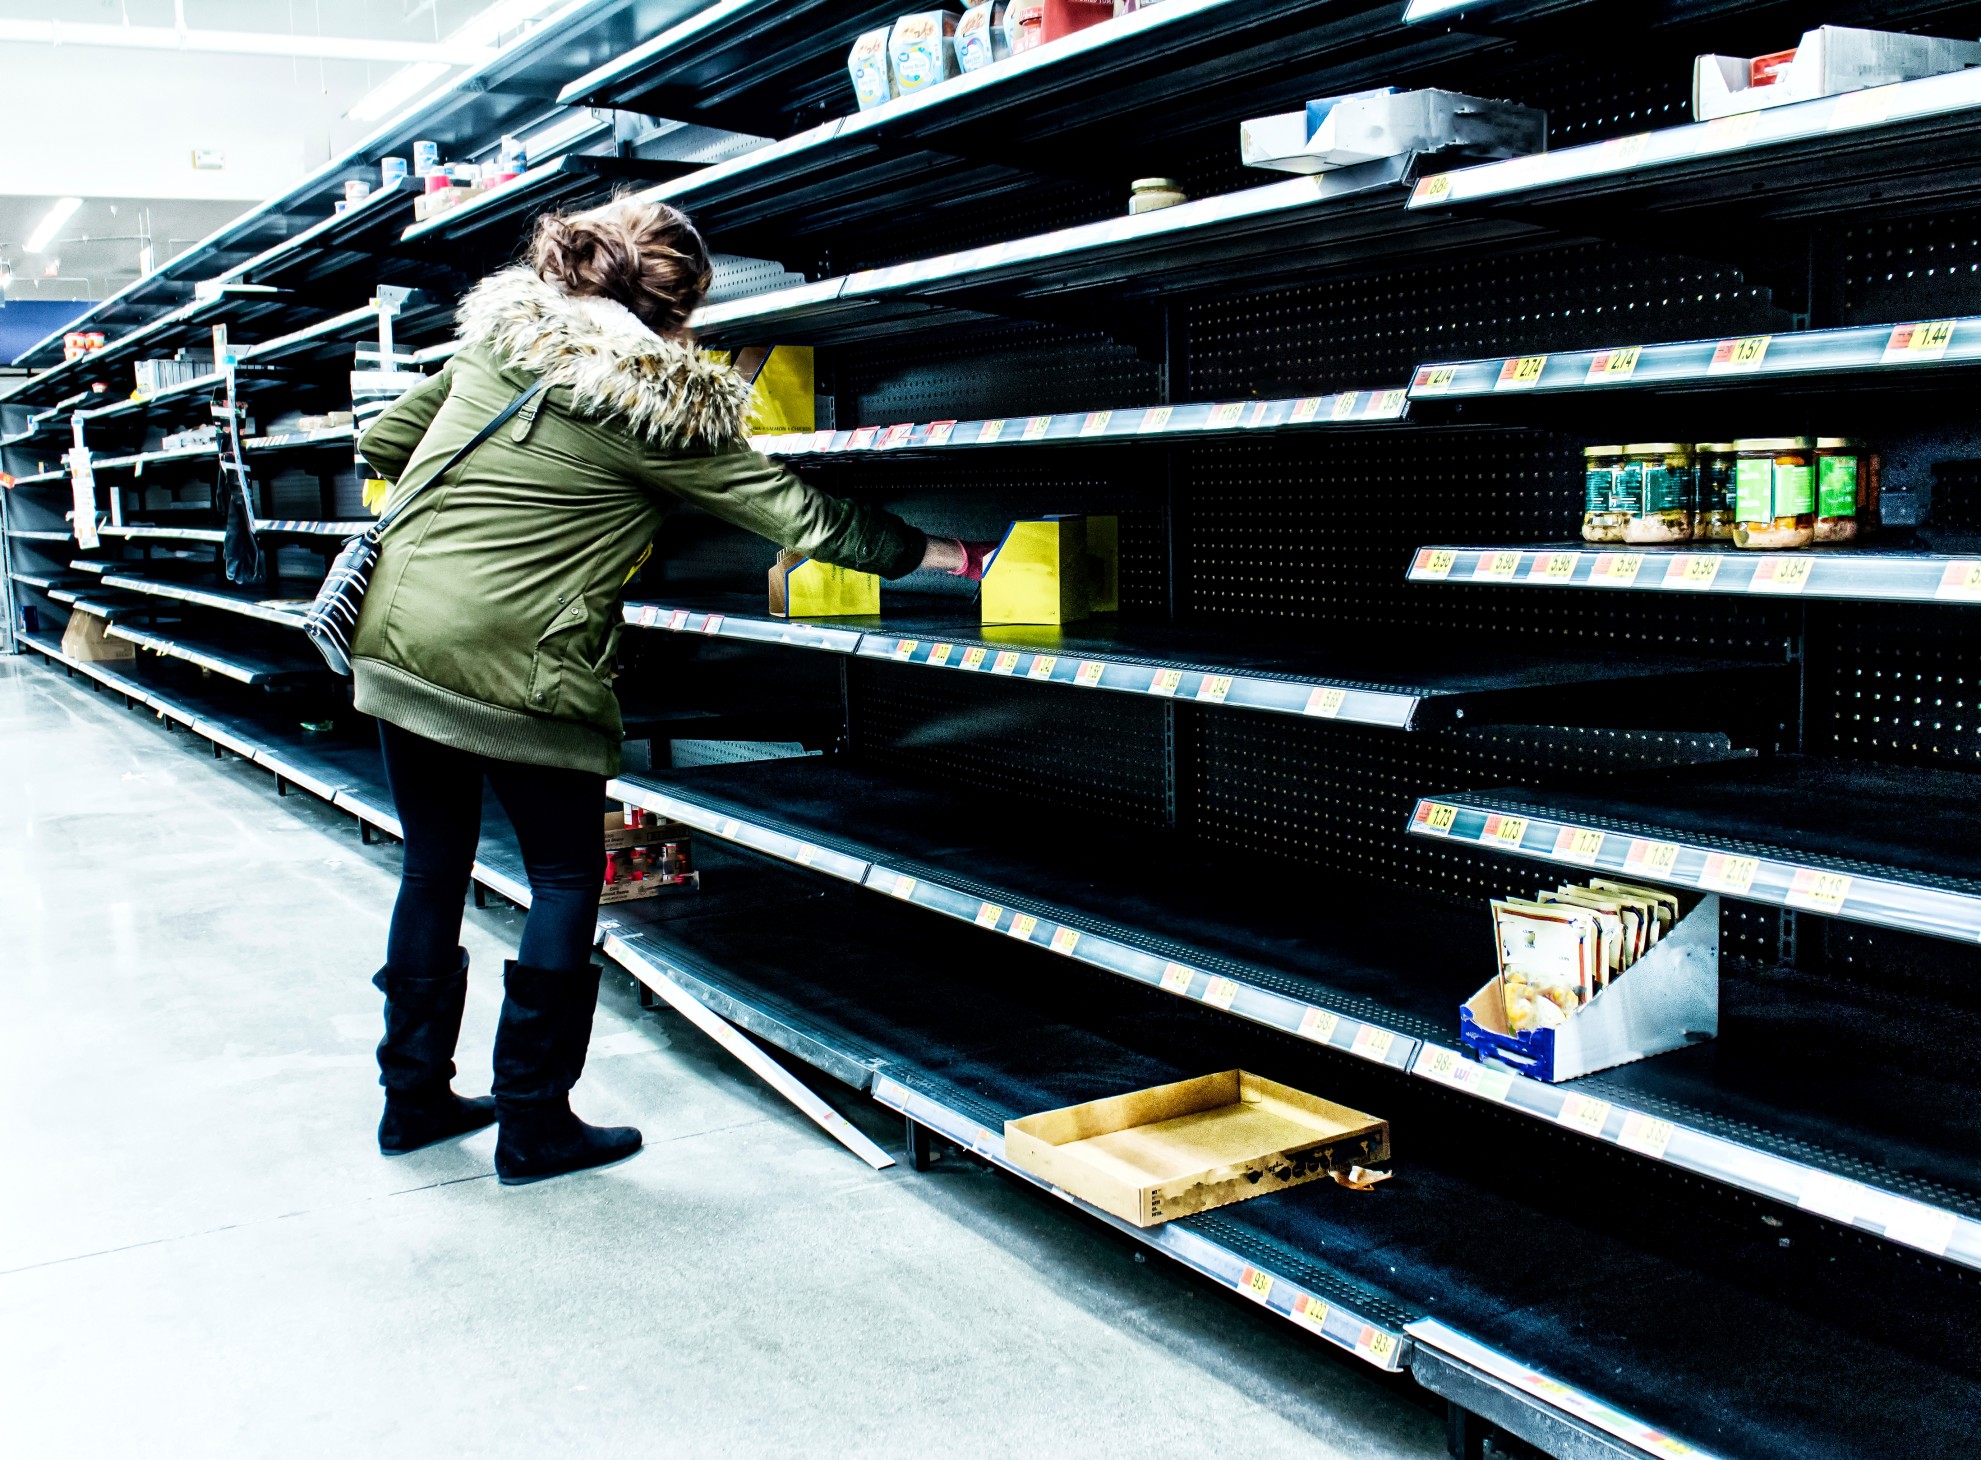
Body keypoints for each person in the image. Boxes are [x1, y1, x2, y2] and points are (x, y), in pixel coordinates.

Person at [351, 198, 983, 1184]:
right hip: (523, 659)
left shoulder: (499, 340)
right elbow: (799, 515)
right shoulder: (665, 407)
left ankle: (412, 1099)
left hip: (398, 633)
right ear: (682, 306)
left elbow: (385, 444)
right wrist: (940, 549)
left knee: (433, 868)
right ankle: (533, 1120)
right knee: (565, 877)